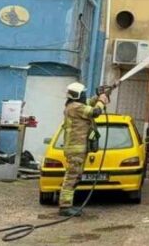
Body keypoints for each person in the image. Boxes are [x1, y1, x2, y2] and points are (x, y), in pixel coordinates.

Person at [58, 82, 110, 216]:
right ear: (78, 95)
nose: (85, 96)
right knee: (72, 177)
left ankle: (68, 204)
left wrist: (98, 96)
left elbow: (88, 103)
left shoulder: (74, 105)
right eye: (83, 93)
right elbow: (95, 112)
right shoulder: (75, 107)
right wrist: (101, 100)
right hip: (76, 150)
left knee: (76, 177)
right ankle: (65, 207)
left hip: (78, 149)